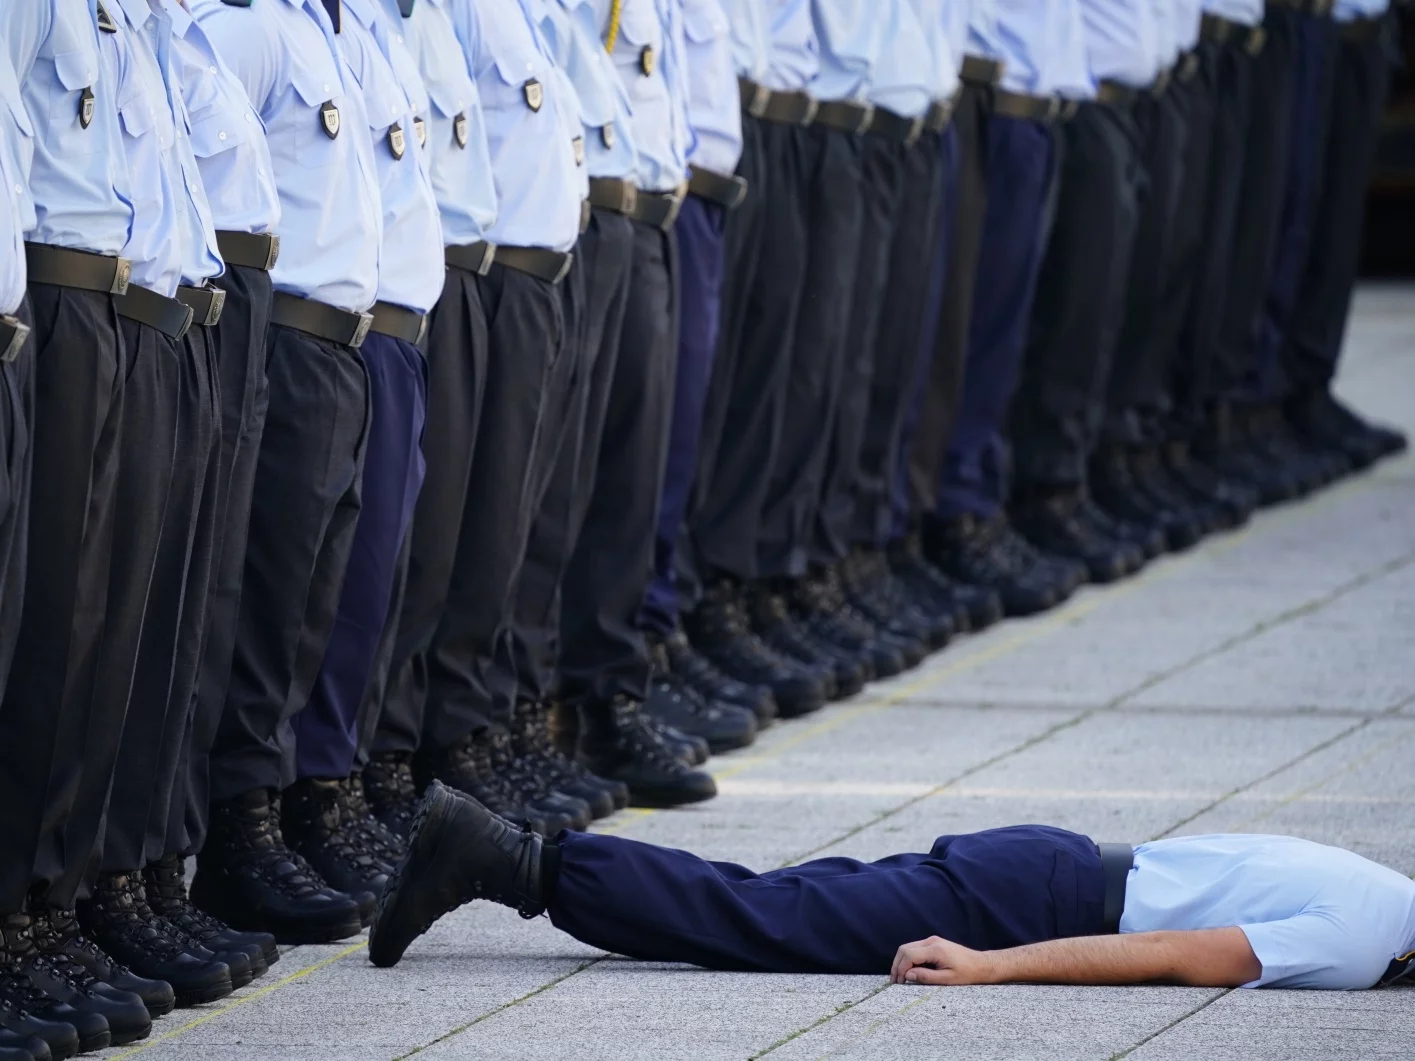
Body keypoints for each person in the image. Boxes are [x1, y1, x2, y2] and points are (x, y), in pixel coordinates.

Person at [370, 780, 1415, 993]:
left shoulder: (1377, 887)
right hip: (1032, 904)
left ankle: (510, 854)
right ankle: (511, 858)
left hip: (1051, 860)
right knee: (762, 916)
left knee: (780, 901)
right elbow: (1172, 955)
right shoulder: (1364, 937)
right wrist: (992, 965)